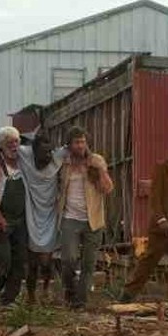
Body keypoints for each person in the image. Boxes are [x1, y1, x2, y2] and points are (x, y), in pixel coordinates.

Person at [120, 132, 168, 310]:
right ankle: (127, 294)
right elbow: (155, 198)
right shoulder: (163, 167)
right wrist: (161, 219)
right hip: (161, 228)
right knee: (149, 261)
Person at [58, 126, 114, 309]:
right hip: (69, 218)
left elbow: (108, 189)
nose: (81, 145)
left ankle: (79, 302)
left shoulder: (95, 160)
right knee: (68, 259)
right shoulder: (64, 163)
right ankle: (70, 289)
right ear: (69, 144)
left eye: (83, 141)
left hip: (93, 219)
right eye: (77, 142)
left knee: (89, 264)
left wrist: (101, 170)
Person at [16, 132, 67, 305]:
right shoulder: (25, 154)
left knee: (47, 260)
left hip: (50, 214)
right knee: (32, 262)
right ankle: (31, 295)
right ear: (34, 151)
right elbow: (4, 144)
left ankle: (46, 289)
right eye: (43, 153)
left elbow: (78, 146)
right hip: (31, 210)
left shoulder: (56, 158)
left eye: (49, 153)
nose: (46, 157)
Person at [0, 126, 27, 307]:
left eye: (17, 141)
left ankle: (9, 298)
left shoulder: (25, 160)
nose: (15, 145)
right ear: (1, 145)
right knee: (3, 257)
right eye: (10, 142)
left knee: (19, 259)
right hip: (1, 216)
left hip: (21, 217)